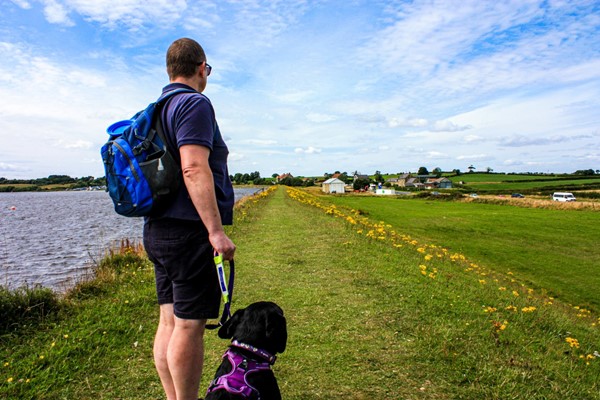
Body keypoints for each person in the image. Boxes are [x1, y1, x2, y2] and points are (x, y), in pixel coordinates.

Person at [143, 37, 236, 400]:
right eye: (207, 70)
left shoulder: (157, 108)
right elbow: (194, 168)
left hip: (157, 229)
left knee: (168, 321)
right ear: (202, 68)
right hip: (187, 232)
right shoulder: (194, 104)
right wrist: (216, 232)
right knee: (189, 326)